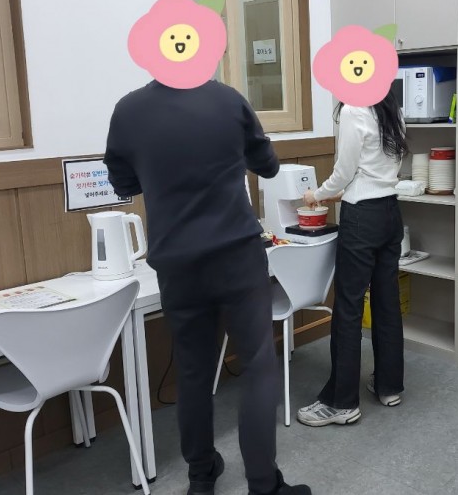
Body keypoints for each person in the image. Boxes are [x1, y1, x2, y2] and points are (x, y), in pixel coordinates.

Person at [104, 78, 311, 495]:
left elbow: (124, 184)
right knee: (257, 364)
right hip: (237, 256)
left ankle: (201, 476)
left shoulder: (128, 110)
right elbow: (268, 165)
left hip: (177, 262)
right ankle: (263, 484)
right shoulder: (227, 100)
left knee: (193, 370)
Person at [296, 92, 408, 427]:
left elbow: (344, 170)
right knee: (387, 302)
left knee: (348, 307)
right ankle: (389, 386)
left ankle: (341, 402)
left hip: (361, 219)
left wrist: (317, 194)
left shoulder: (353, 110)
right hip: (390, 213)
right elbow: (379, 171)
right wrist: (345, 191)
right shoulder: (392, 108)